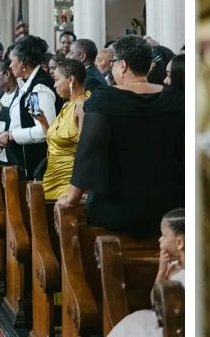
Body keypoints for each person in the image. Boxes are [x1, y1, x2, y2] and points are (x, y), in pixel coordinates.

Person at [60, 36, 185, 240]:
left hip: (117, 208)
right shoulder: (175, 99)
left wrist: (73, 197)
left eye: (113, 63)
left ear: (123, 65)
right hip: (168, 208)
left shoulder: (105, 99)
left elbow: (90, 149)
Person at [84, 209, 185, 337]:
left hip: (180, 335)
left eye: (164, 236)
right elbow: (155, 301)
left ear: (180, 242)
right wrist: (161, 271)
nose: (159, 240)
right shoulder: (172, 268)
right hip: (162, 325)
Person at [0, 37, 57, 181]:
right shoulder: (27, 84)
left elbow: (44, 131)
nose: (10, 65)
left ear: (24, 62)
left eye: (13, 61)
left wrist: (11, 135)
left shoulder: (38, 88)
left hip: (35, 164)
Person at [41, 58, 90, 202]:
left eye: (57, 79)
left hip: (70, 183)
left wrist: (76, 194)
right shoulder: (66, 105)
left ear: (71, 80)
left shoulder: (83, 106)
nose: (54, 84)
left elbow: (86, 151)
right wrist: (43, 121)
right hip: (51, 177)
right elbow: (54, 142)